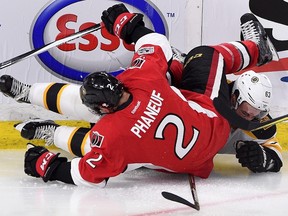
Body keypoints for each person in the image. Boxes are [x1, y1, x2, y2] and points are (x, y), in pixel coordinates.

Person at [0, 4, 282, 186]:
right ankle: (44, 123)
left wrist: (266, 158)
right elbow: (154, 42)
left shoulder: (252, 112)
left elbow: (87, 173)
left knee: (199, 57)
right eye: (248, 108)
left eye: (254, 112)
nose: (250, 113)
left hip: (188, 144)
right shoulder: (146, 81)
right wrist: (127, 25)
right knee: (108, 151)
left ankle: (258, 48)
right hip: (191, 154)